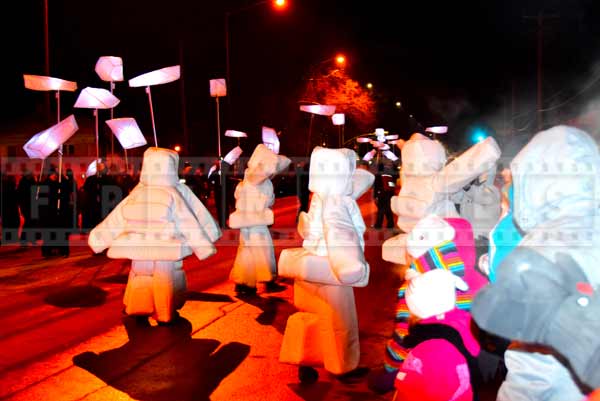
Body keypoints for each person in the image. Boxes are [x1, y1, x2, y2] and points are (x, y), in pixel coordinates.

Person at [17, 169, 38, 246]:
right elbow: (21, 195)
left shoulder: (29, 182)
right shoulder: (24, 183)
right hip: (27, 205)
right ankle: (24, 240)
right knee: (29, 222)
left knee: (32, 223)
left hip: (30, 205)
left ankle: (30, 239)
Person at [373, 161, 396, 229]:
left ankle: (378, 225)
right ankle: (390, 224)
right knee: (388, 209)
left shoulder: (379, 175)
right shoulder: (391, 174)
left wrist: (375, 196)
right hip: (388, 193)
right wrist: (392, 194)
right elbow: (392, 185)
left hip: (381, 194)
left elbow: (376, 186)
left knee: (381, 210)